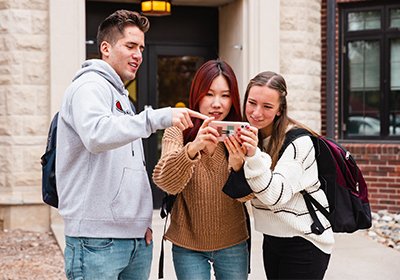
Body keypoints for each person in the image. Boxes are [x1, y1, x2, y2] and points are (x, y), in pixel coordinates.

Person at [56, 10, 207, 280]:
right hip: (96, 242)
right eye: (130, 46)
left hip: (135, 239)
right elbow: (96, 135)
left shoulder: (122, 96)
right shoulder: (89, 86)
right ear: (105, 48)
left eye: (141, 47)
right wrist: (155, 118)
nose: (138, 54)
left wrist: (140, 225)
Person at [223, 71, 334, 279]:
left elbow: (275, 195)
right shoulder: (253, 137)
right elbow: (242, 193)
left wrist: (253, 155)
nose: (256, 113)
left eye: (267, 107)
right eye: (252, 102)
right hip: (273, 238)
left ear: (279, 109)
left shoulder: (299, 143)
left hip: (305, 241)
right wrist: (237, 166)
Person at [152, 59, 249, 280]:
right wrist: (193, 148)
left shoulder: (239, 134)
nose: (217, 103)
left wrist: (238, 167)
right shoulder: (178, 130)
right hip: (188, 245)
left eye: (225, 95)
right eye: (209, 94)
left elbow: (250, 195)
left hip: (233, 242)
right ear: (197, 94)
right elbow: (166, 182)